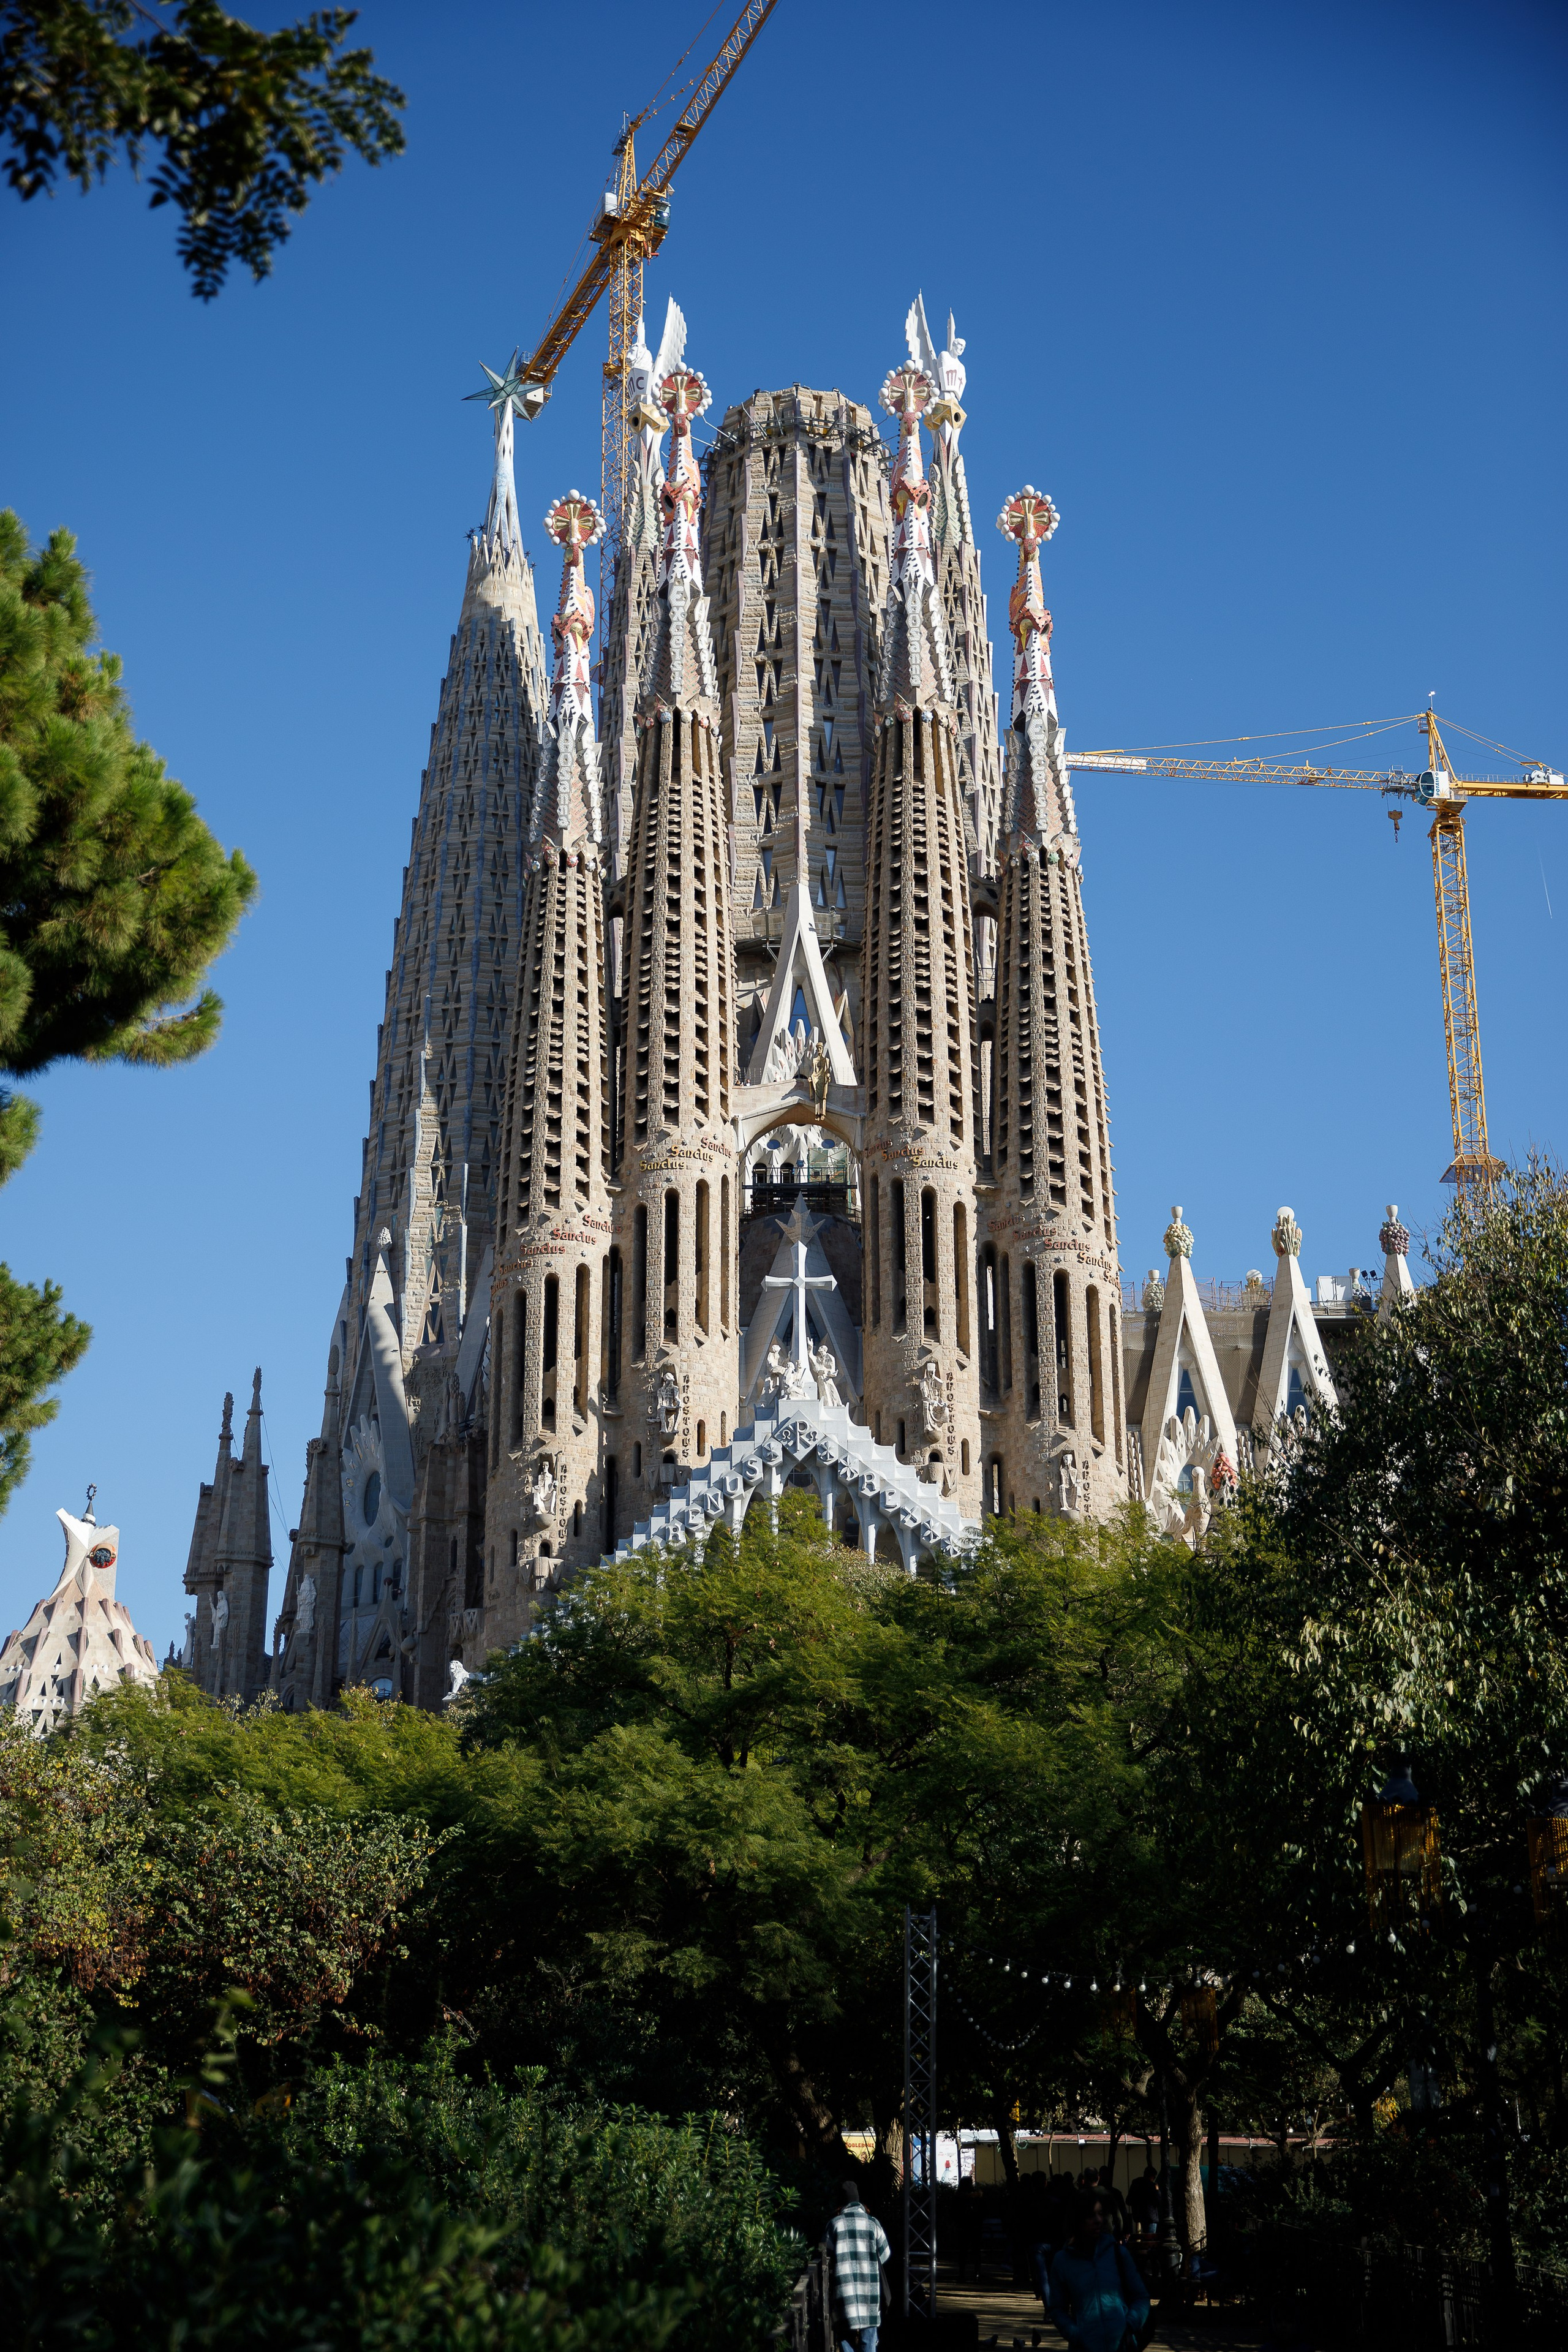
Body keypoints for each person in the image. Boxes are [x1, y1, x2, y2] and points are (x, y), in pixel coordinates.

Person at [1049, 2191, 1151, 2352]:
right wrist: (1077, 2335)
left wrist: (1130, 2325)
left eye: (1100, 2214)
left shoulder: (1118, 2254)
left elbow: (1141, 2297)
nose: (1098, 2220)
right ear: (1077, 2220)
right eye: (1091, 2215)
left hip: (1122, 2346)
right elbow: (1057, 2309)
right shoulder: (1062, 2261)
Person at [826, 2179, 890, 2352]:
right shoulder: (873, 2224)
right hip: (869, 2292)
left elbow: (827, 2254)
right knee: (869, 2340)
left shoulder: (834, 2225)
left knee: (844, 2336)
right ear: (858, 2200)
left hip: (844, 2290)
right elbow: (885, 2254)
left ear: (841, 2202)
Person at [1128, 2162, 1160, 2241]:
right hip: (1151, 2217)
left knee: (1143, 2239)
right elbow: (1158, 2200)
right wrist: (1157, 2190)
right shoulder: (1152, 2186)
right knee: (1150, 2240)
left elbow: (1128, 2200)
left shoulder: (1135, 2184)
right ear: (1152, 2176)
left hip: (1139, 2216)